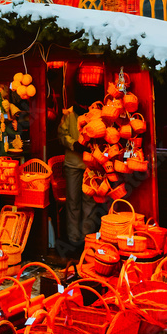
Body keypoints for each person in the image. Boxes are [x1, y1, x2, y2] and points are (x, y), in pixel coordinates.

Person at [57, 83, 101, 254]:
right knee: (73, 202)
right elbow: (61, 135)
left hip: (91, 165)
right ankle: (74, 240)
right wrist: (74, 144)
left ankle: (87, 239)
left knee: (89, 203)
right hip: (73, 165)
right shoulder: (68, 114)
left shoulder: (95, 113)